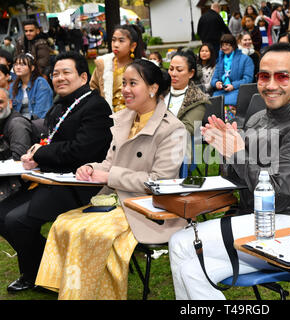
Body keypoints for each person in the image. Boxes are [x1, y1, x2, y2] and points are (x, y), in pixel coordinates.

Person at [169, 43, 290, 300]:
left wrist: (236, 152)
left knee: (181, 243)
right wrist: (225, 146)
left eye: (282, 76)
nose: (271, 84)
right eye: (264, 76)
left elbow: (277, 195)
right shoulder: (258, 118)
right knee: (191, 268)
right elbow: (236, 178)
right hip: (255, 219)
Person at [35, 59, 187, 300]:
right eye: (124, 83)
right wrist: (89, 167)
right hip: (115, 200)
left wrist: (109, 175)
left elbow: (160, 181)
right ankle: (76, 291)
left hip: (148, 206)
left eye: (133, 83)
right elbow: (108, 163)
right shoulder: (123, 119)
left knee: (92, 232)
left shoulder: (173, 129)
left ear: (153, 88)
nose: (125, 89)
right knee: (64, 223)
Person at [0, 51, 113, 293]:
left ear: (83, 77)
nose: (59, 78)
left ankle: (42, 274)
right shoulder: (61, 104)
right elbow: (49, 141)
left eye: (66, 73)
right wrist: (35, 156)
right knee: (1, 214)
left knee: (15, 220)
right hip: (51, 179)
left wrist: (40, 154)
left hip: (81, 185)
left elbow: (82, 150)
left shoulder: (95, 106)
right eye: (55, 74)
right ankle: (41, 271)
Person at [90, 24, 144, 113]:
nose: (115, 45)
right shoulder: (103, 65)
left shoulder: (142, 67)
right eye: (113, 40)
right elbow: (93, 88)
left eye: (121, 41)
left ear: (133, 46)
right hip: (107, 117)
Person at [210, 34, 254, 123]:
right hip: (221, 91)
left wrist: (233, 85)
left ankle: (229, 129)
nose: (225, 47)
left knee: (227, 108)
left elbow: (248, 79)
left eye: (228, 45)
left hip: (237, 91)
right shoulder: (220, 60)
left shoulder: (245, 59)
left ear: (233, 45)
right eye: (223, 45)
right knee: (212, 107)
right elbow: (214, 79)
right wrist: (217, 83)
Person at [165, 50, 209, 137]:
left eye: (179, 70)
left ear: (191, 73)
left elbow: (186, 130)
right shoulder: (159, 91)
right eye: (171, 69)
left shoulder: (197, 100)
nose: (173, 74)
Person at [0, 88, 33, 202]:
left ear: (10, 103)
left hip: (20, 183)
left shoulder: (17, 124)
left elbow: (18, 161)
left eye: (0, 102)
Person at [9, 53, 53, 119]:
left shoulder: (40, 83)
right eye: (16, 64)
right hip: (17, 123)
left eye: (22, 64)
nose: (18, 67)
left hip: (36, 123)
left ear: (32, 68)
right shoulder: (14, 85)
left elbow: (41, 113)